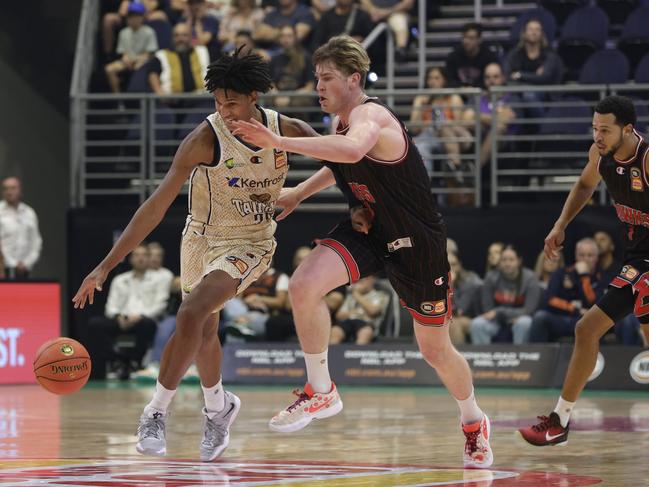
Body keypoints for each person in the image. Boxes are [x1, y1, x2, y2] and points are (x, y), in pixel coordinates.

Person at [232, 35, 493, 468]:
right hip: (370, 228)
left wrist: (278, 143)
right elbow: (341, 160)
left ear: (354, 79)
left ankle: (474, 421)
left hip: (416, 240)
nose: (319, 86)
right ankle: (321, 390)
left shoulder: (371, 114)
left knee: (434, 350)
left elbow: (353, 149)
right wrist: (298, 192)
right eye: (316, 78)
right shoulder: (340, 123)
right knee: (303, 284)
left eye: (328, 78)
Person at [72, 48, 316, 461]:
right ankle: (219, 407)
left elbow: (345, 160)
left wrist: (350, 200)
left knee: (190, 312)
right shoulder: (204, 139)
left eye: (232, 102)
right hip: (200, 238)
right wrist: (105, 266)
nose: (223, 110)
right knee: (203, 330)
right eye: (217, 101)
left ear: (254, 96)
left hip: (251, 243)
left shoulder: (285, 129)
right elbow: (155, 206)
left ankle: (154, 411)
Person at [518, 95, 649, 446]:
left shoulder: (647, 159)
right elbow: (585, 185)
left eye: (605, 130)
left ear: (628, 129)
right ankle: (559, 421)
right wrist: (560, 224)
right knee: (586, 329)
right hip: (637, 261)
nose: (598, 136)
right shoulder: (599, 155)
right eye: (594, 128)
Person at [82, 244, 165, 380]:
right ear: (131, 259)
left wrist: (139, 316)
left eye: (144, 255)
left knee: (147, 325)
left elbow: (160, 305)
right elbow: (111, 306)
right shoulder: (120, 280)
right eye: (137, 255)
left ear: (149, 259)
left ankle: (135, 363)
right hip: (121, 319)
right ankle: (121, 359)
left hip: (143, 319)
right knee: (95, 324)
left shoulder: (159, 279)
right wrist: (119, 317)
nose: (140, 259)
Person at [529, 238, 604, 343]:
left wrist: (584, 277)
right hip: (563, 318)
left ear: (596, 258)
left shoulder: (601, 277)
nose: (585, 259)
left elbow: (592, 302)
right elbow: (550, 299)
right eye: (581, 255)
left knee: (600, 323)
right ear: (576, 256)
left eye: (589, 255)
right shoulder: (562, 273)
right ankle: (535, 356)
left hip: (587, 321)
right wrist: (575, 309)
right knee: (540, 317)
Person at [470, 244, 541, 345]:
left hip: (519, 319)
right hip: (496, 321)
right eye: (504, 260)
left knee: (525, 323)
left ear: (519, 261)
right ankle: (483, 359)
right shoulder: (491, 277)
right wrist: (501, 315)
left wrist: (500, 311)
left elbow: (529, 310)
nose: (507, 263)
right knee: (477, 324)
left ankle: (521, 358)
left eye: (511, 260)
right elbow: (488, 310)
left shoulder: (530, 278)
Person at [105, 2, 159, 94]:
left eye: (137, 16)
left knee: (139, 67)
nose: (134, 19)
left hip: (143, 61)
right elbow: (123, 52)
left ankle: (138, 99)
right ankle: (118, 98)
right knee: (109, 69)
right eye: (131, 16)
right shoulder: (123, 32)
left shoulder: (149, 31)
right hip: (128, 61)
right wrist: (126, 59)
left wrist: (136, 60)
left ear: (142, 17)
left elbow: (149, 53)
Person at [0, 176, 42, 280]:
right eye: (6, 188)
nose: (9, 192)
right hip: (3, 270)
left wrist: (27, 263)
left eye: (13, 188)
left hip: (25, 270)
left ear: (20, 190)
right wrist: (13, 264)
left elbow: (36, 242)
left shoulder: (29, 212)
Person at [331, 275, 390, 344]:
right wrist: (357, 312)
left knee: (365, 333)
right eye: (360, 279)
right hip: (347, 322)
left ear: (372, 280)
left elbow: (373, 311)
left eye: (365, 279)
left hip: (367, 324)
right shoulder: (350, 296)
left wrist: (357, 294)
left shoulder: (380, 295)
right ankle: (332, 354)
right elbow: (339, 315)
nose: (362, 281)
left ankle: (357, 354)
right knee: (335, 331)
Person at [444, 22, 499, 88]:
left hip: (482, 94)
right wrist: (462, 88)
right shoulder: (453, 56)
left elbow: (492, 81)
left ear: (479, 40)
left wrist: (474, 89)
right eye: (464, 37)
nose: (466, 41)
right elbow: (449, 80)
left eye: (471, 38)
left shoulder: (489, 57)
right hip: (459, 94)